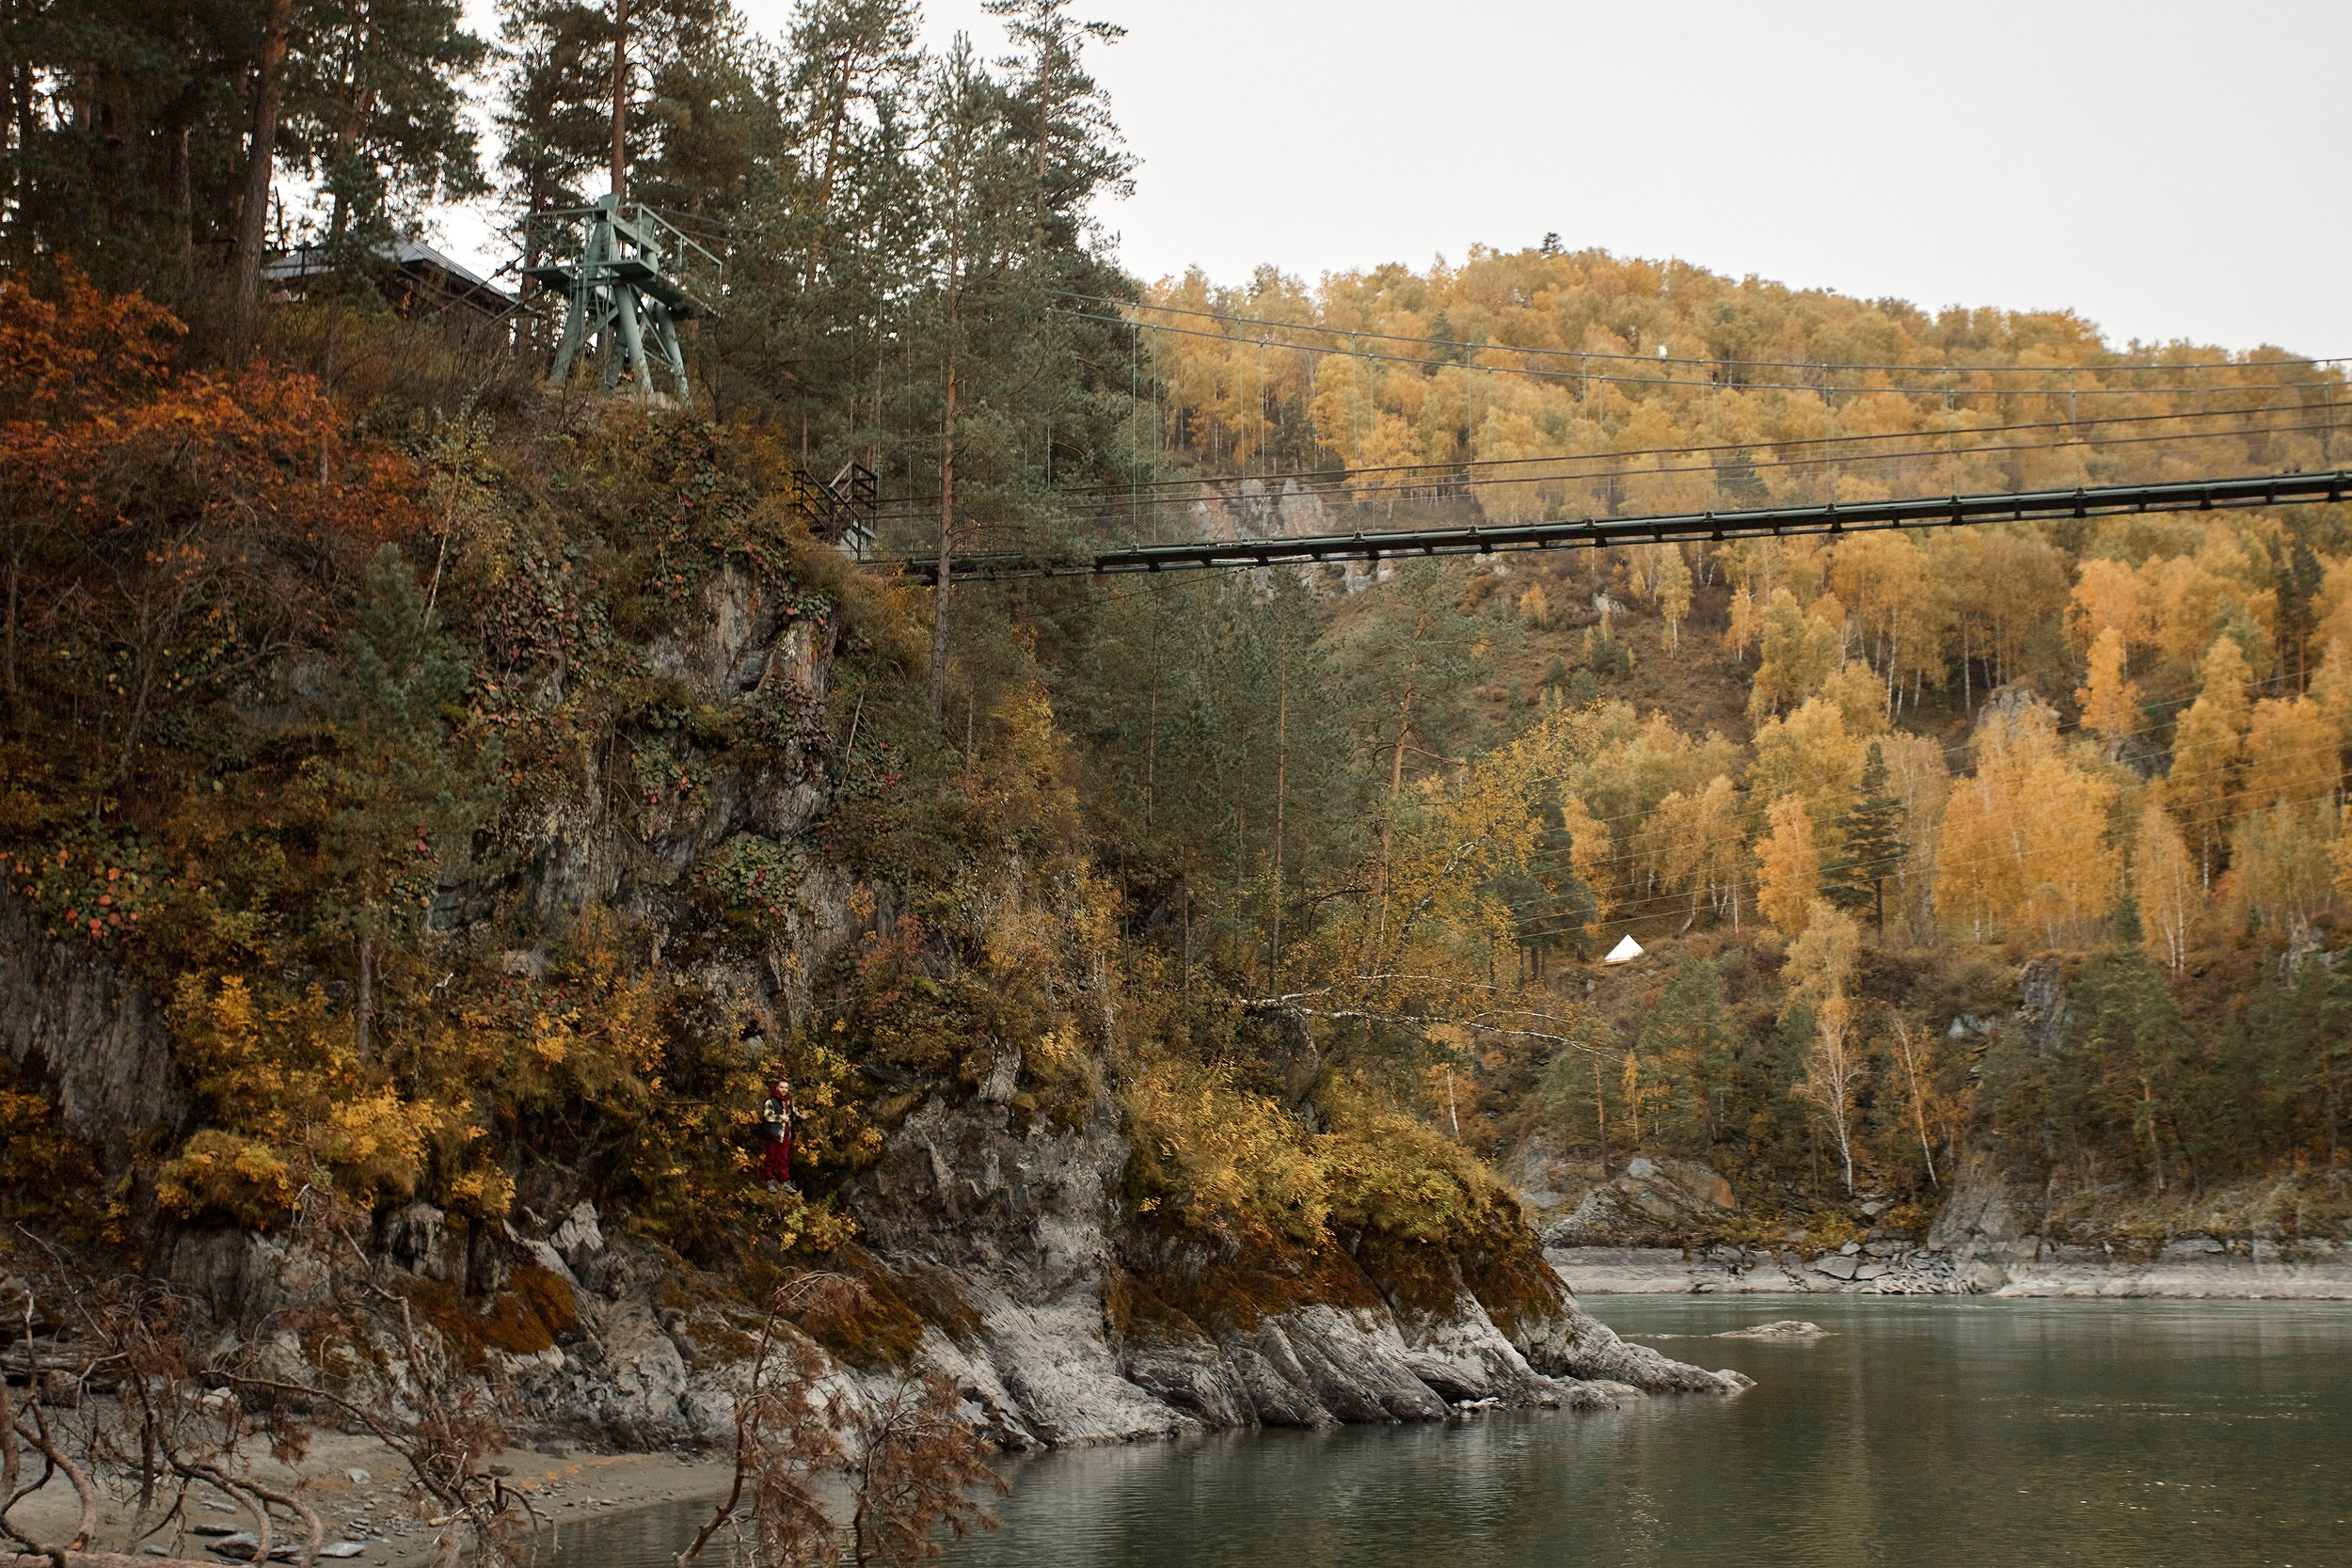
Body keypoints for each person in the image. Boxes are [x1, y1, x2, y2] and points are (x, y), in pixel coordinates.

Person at [759, 1078, 795, 1191]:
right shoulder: (771, 1101)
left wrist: (802, 1115)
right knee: (770, 1158)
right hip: (773, 1135)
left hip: (784, 1135)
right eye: (782, 1087)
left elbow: (792, 1115)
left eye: (786, 1088)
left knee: (784, 1159)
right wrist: (781, 1118)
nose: (784, 1090)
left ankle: (785, 1182)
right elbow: (767, 1116)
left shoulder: (788, 1102)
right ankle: (769, 1180)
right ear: (777, 1088)